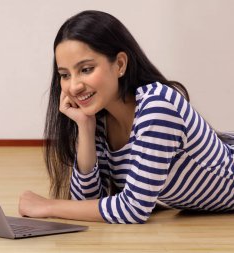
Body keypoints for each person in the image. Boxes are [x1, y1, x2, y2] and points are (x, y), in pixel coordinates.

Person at [18, 10, 234, 223]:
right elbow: (86, 201)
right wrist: (85, 128)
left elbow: (133, 209)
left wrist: (48, 206)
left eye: (86, 69)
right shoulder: (100, 118)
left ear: (120, 64)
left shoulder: (157, 107)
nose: (73, 86)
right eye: (65, 75)